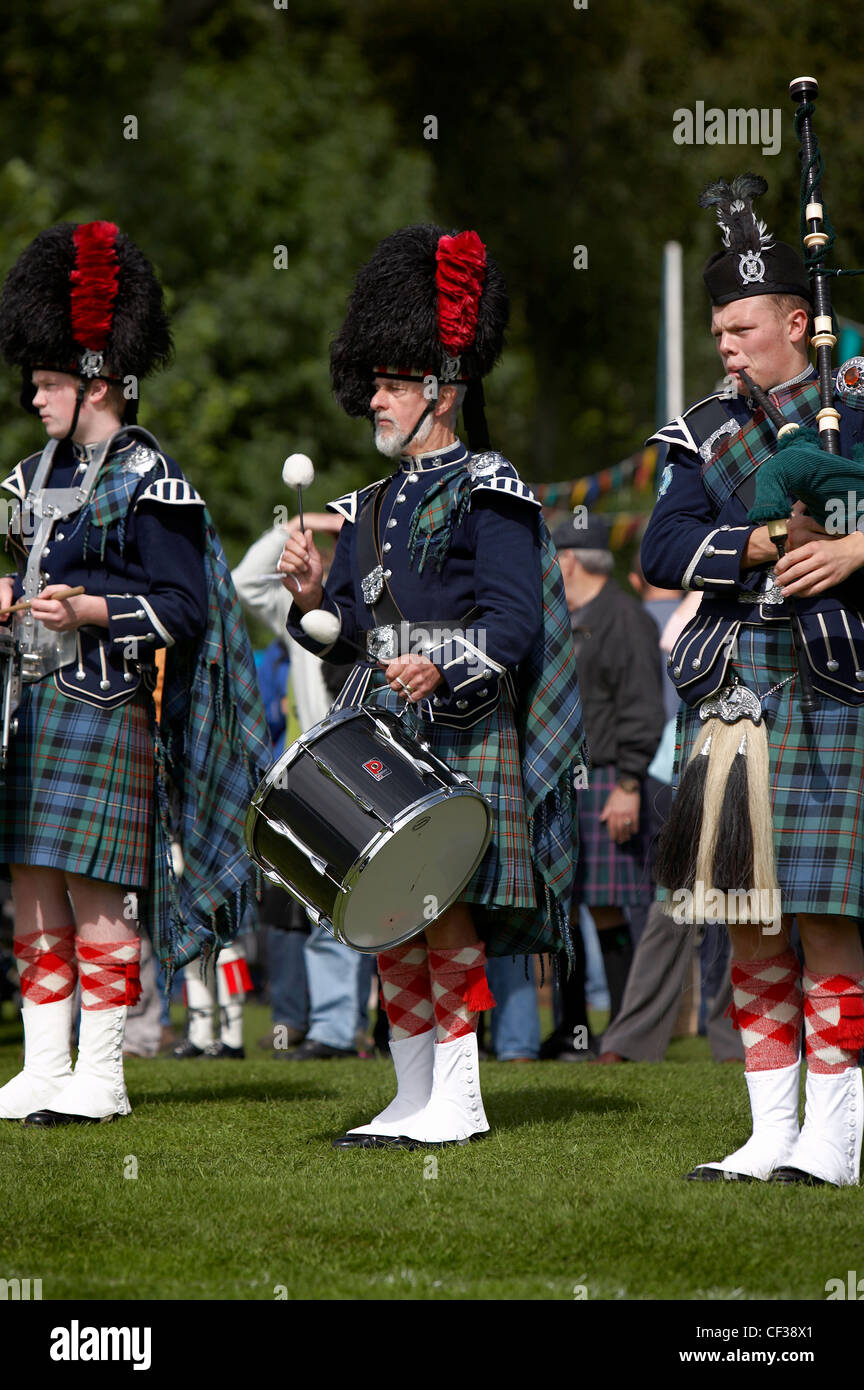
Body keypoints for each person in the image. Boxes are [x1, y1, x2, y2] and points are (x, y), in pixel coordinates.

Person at [280, 224, 586, 1147]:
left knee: (442, 911)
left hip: (460, 723)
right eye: (371, 380)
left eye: (390, 383)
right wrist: (305, 602)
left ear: (439, 392)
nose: (371, 398)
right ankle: (411, 1097)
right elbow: (341, 641)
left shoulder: (491, 487)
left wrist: (439, 660)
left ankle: (460, 1097)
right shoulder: (365, 509)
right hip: (377, 724)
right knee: (384, 913)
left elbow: (515, 625)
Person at [0, 220, 270, 1126]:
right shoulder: (31, 474)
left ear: (99, 381)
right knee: (33, 882)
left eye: (48, 384)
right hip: (32, 707)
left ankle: (105, 1074)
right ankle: (45, 1065)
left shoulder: (153, 476)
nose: (35, 399)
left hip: (111, 705)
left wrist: (90, 611)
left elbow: (186, 609)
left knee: (94, 893)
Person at [641, 174, 864, 1185]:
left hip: (835, 683)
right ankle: (771, 1130)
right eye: (718, 330)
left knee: (824, 916)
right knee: (752, 918)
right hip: (740, 685)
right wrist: (775, 537)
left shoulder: (854, 402)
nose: (726, 346)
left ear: (797, 319)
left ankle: (836, 1137)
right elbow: (664, 548)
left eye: (742, 328)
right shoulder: (704, 429)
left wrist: (857, 550)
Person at [233, 516, 376, 1060]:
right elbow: (246, 579)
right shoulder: (303, 612)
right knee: (325, 904)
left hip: (371, 766)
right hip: (314, 772)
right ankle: (335, 1030)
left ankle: (355, 1030)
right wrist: (292, 525)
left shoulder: (370, 608)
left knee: (375, 900)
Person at [540, 512, 664, 1059]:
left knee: (608, 907)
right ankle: (570, 1031)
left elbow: (643, 707)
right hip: (560, 779)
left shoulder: (625, 617)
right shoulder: (558, 618)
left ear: (568, 560)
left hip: (611, 777)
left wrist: (630, 784)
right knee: (560, 906)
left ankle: (620, 1032)